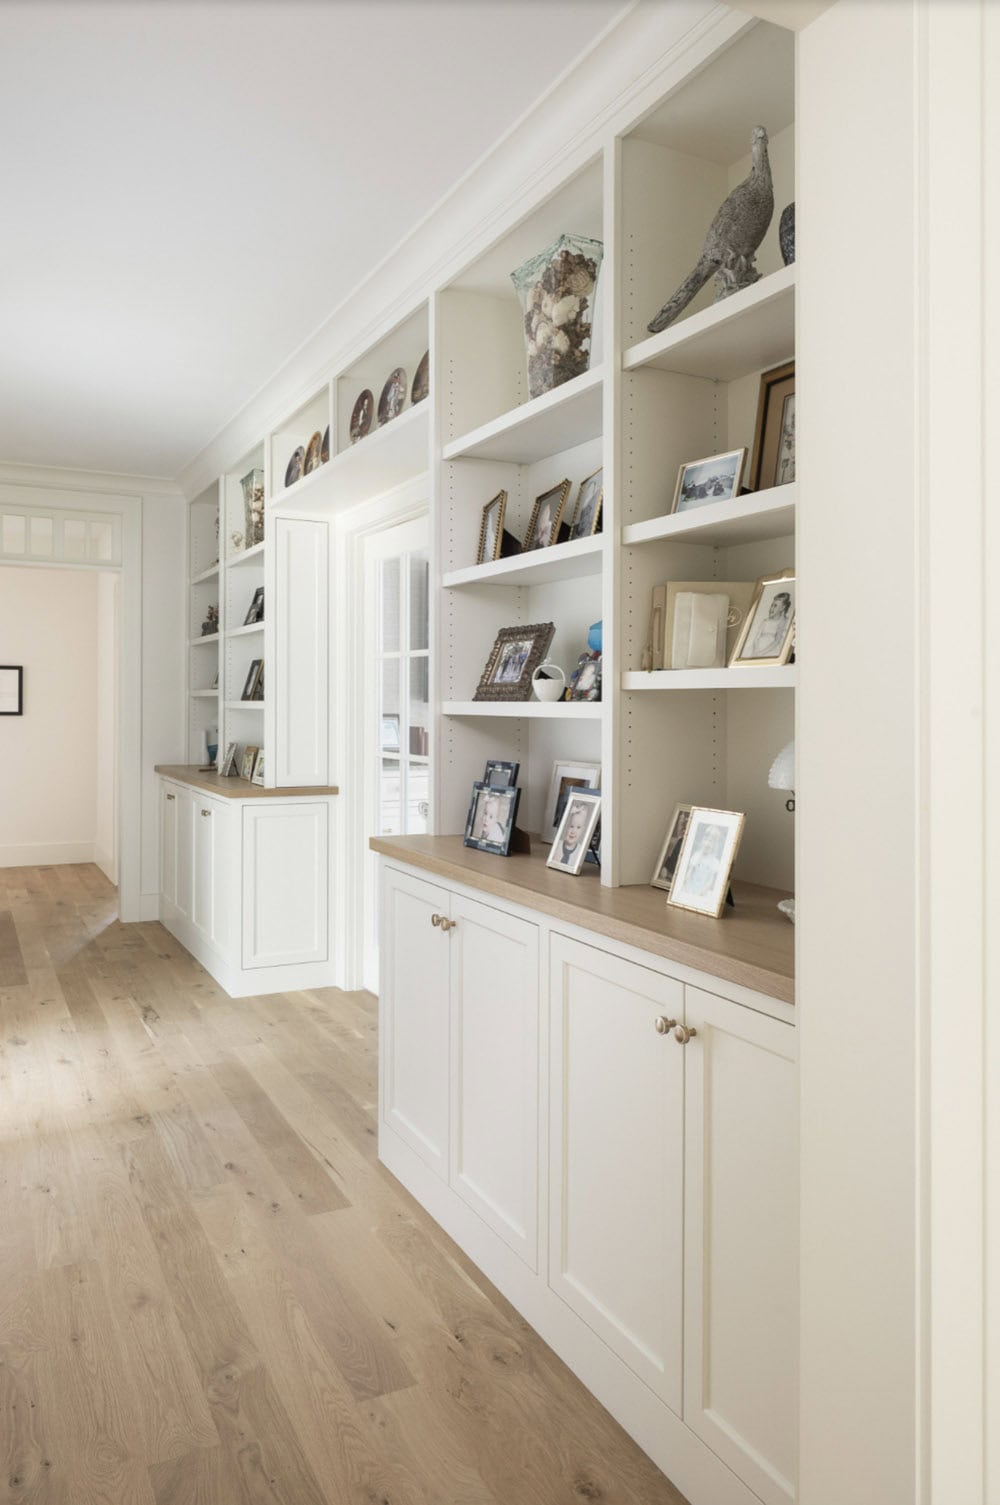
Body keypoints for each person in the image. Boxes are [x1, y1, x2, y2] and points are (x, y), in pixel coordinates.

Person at [682, 823, 725, 898]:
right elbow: (689, 873)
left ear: (715, 845)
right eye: (706, 839)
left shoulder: (714, 862)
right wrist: (687, 887)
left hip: (702, 890)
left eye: (711, 841)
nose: (707, 844)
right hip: (690, 887)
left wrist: (702, 892)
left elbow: (710, 881)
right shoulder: (697, 856)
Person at [745, 589, 791, 658]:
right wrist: (755, 650)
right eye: (772, 605)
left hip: (769, 650)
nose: (771, 608)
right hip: (757, 650)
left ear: (782, 608)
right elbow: (756, 638)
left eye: (775, 606)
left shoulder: (782, 621)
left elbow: (777, 641)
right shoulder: (765, 621)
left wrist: (761, 653)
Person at [557, 800, 589, 867]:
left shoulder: (580, 850)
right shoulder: (558, 845)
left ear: (583, 830)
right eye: (571, 826)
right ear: (566, 826)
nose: (573, 831)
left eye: (578, 827)